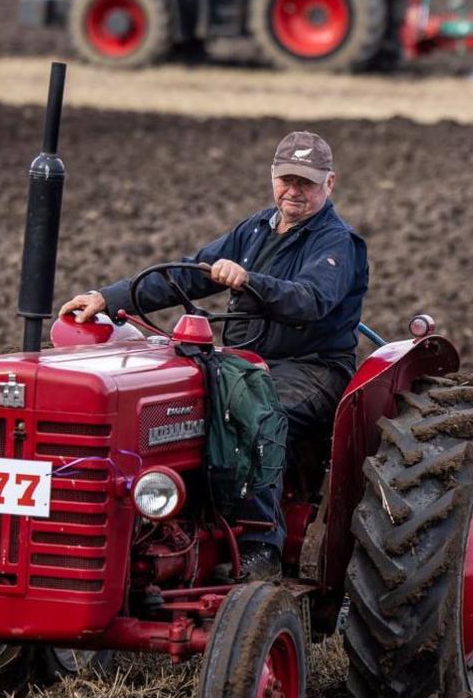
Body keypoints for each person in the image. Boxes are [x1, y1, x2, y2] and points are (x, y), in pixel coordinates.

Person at [59, 131, 368, 581]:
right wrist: (105, 298)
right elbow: (185, 276)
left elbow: (310, 301)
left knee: (254, 412)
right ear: (273, 178)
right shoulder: (254, 230)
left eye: (307, 182)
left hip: (312, 367)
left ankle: (260, 543)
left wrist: (249, 281)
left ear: (330, 183)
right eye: (287, 180)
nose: (295, 191)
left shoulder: (337, 242)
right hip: (244, 363)